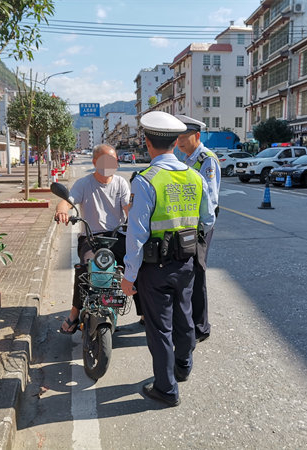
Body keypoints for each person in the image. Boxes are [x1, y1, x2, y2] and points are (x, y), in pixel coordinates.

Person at [121, 111, 215, 407]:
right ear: (175, 142)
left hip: (154, 268)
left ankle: (166, 388)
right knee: (184, 315)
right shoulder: (196, 177)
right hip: (186, 261)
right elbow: (208, 219)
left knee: (160, 328)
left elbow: (135, 235)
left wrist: (128, 276)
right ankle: (183, 366)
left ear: (147, 143)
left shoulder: (146, 180)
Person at [54, 144, 130, 334]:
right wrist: (62, 211)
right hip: (91, 237)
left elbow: (128, 208)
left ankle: (145, 312)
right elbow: (68, 201)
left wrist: (137, 218)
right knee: (85, 270)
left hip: (117, 236)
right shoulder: (84, 183)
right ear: (95, 161)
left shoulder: (121, 183)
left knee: (136, 264)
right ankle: (74, 314)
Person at [175, 114, 220, 343]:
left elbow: (210, 199)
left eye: (185, 136)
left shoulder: (205, 159)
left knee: (198, 273)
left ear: (197, 136)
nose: (180, 141)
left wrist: (201, 230)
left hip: (201, 226)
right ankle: (188, 320)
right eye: (178, 137)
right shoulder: (185, 159)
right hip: (188, 225)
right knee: (189, 272)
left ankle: (201, 327)